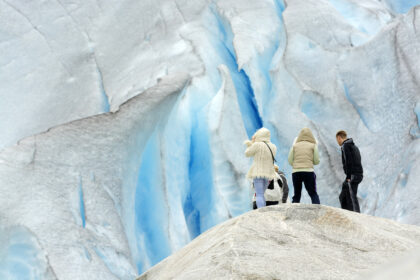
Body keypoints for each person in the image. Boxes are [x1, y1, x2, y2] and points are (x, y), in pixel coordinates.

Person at [244, 127, 277, 209]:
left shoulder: (257, 145)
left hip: (258, 173)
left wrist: (250, 143)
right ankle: (262, 209)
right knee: (262, 194)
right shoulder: (273, 147)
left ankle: (261, 211)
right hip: (268, 175)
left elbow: (247, 153)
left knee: (259, 194)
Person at [288, 127, 320, 204]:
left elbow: (290, 160)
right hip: (308, 172)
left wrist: (296, 165)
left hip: (296, 172)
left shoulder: (295, 146)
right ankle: (317, 211)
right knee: (313, 193)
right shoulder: (313, 145)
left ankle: (293, 213)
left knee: (297, 195)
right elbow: (316, 161)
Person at [336, 130, 363, 213]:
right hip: (357, 174)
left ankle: (356, 216)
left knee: (351, 196)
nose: (337, 142)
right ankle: (347, 214)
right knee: (343, 196)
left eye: (337, 139)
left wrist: (349, 176)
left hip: (353, 175)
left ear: (339, 137)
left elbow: (349, 161)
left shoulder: (346, 146)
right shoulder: (354, 146)